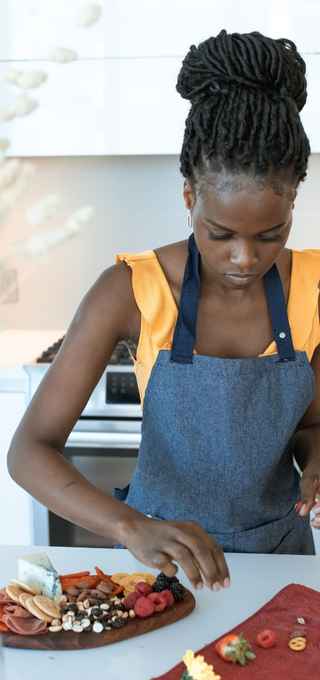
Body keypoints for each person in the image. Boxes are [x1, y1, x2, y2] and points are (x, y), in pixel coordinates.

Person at [7, 30, 320, 593]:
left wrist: (318, 460)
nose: (244, 258)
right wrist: (131, 526)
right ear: (188, 197)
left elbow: (311, 424)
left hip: (279, 568)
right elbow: (29, 451)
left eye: (271, 234)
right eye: (219, 234)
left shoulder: (313, 289)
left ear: (295, 199)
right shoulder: (129, 289)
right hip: (158, 571)